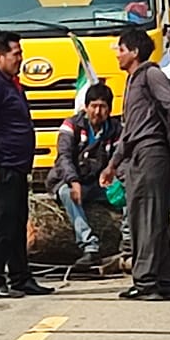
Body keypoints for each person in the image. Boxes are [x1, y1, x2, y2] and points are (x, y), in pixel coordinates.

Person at [104, 26, 170, 301]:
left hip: (151, 154)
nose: (118, 56)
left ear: (134, 52)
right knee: (149, 219)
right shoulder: (133, 80)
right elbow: (129, 131)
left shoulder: (151, 74)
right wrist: (113, 165)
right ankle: (166, 281)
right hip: (137, 154)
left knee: (147, 218)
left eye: (121, 50)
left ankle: (146, 282)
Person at [0, 31, 52, 299]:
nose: (21, 58)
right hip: (1, 167)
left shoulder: (11, 83)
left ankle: (20, 277)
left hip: (17, 167)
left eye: (20, 52)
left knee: (17, 223)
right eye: (15, 54)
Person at [47, 83, 122, 267]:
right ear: (86, 107)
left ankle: (129, 243)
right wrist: (73, 181)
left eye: (103, 107)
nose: (98, 112)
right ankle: (89, 246)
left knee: (128, 194)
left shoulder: (116, 129)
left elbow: (122, 158)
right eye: (94, 106)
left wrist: (114, 175)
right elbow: (64, 157)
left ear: (109, 109)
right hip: (68, 181)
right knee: (67, 193)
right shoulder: (71, 125)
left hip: (98, 185)